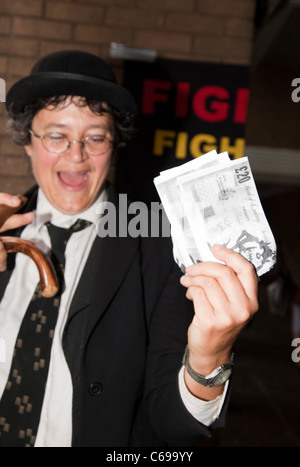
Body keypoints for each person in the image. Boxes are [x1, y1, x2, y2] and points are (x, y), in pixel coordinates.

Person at [0, 50, 259, 447]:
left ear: (114, 144)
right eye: (56, 135)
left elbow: (170, 423)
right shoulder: (2, 229)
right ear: (28, 143)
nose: (76, 154)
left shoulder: (160, 249)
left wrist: (210, 357)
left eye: (95, 137)